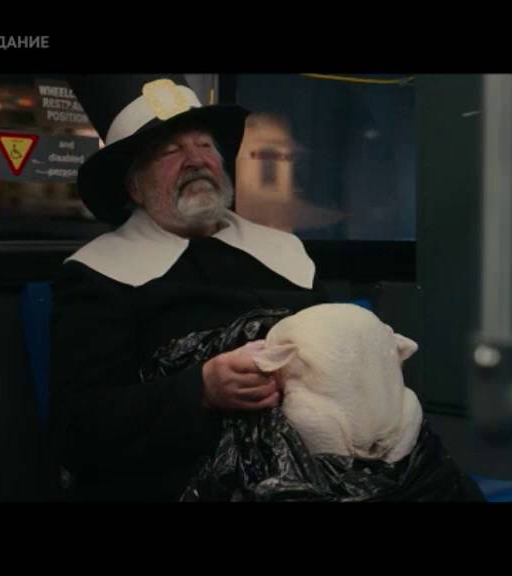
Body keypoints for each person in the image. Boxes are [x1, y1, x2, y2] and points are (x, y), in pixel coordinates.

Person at [50, 75, 328, 500]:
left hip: (312, 462)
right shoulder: (97, 275)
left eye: (205, 145)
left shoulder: (285, 252)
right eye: (170, 151)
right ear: (134, 187)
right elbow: (79, 430)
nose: (196, 160)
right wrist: (201, 390)